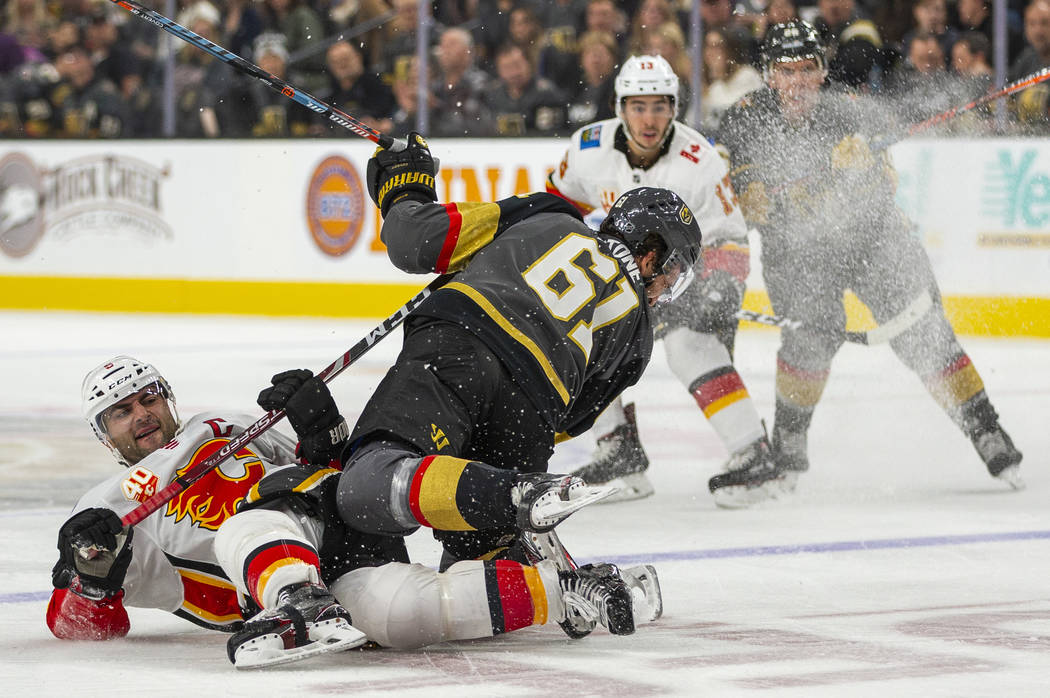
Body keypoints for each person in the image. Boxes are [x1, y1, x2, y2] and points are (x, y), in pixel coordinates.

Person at [47, 356, 659, 667]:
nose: (143, 414)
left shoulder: (222, 427)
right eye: (123, 412)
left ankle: (302, 604)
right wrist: (89, 566)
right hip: (290, 579)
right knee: (404, 614)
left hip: (330, 518)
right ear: (105, 434)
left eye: (148, 397)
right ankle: (574, 591)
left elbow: (336, 464)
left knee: (251, 518)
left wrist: (322, 422)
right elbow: (80, 624)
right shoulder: (101, 510)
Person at [328, 135, 701, 577]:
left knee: (365, 485)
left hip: (458, 347)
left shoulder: (550, 214)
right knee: (480, 570)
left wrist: (405, 184)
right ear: (650, 254)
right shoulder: (639, 336)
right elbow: (571, 420)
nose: (665, 291)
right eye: (672, 272)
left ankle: (364, 578)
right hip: (531, 412)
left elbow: (416, 240)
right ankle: (511, 496)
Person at [717, 19, 1024, 494]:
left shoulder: (851, 111)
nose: (798, 81)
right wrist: (750, 193)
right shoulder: (743, 116)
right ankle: (789, 448)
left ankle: (986, 429)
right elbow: (737, 182)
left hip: (874, 240)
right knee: (807, 345)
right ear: (769, 75)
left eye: (807, 69)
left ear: (822, 71)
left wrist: (861, 171)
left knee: (925, 333)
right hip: (797, 254)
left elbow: (885, 184)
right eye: (787, 71)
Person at [546, 54, 777, 508]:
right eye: (638, 106)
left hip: (684, 276)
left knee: (688, 345)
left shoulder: (699, 161)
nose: (648, 119)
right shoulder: (587, 149)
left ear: (674, 107)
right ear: (619, 107)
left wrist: (719, 290)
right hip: (617, 275)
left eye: (659, 106)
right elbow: (555, 207)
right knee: (576, 335)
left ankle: (754, 453)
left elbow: (730, 238)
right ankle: (618, 451)